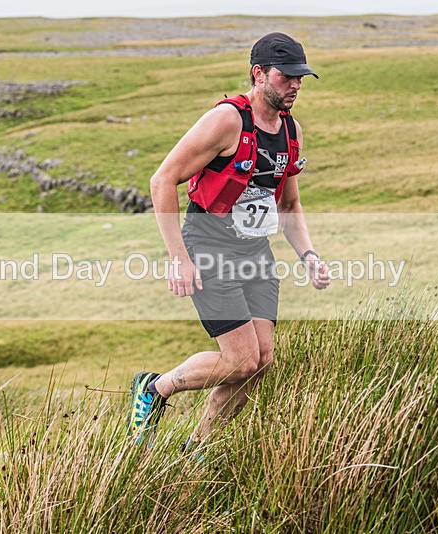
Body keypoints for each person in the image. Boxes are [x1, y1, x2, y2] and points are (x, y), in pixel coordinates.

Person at [128, 33, 331, 449]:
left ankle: (196, 450)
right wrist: (178, 259)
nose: (295, 85)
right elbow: (162, 180)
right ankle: (155, 388)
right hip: (208, 247)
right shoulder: (226, 120)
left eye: (301, 77)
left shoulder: (291, 132)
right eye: (286, 76)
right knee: (239, 359)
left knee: (260, 363)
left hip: (255, 252)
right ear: (259, 74)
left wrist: (308, 254)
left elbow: (289, 206)